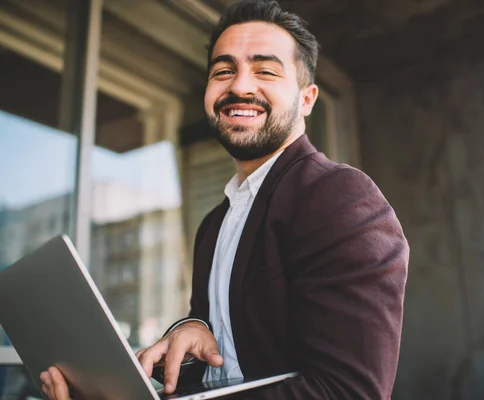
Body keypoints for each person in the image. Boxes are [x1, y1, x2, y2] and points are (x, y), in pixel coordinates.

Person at [40, 0, 409, 398]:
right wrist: (190, 331)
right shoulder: (214, 224)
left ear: (307, 99)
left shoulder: (339, 197)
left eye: (265, 70)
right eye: (223, 71)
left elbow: (350, 391)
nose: (239, 86)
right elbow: (230, 351)